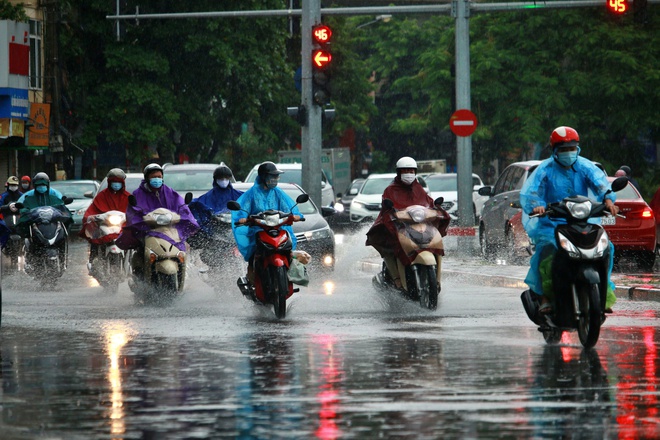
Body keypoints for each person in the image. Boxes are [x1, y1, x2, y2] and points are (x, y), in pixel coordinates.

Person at [520, 126, 619, 314]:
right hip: (551, 224)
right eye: (563, 150)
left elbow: (600, 183)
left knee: (607, 248)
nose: (568, 153)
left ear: (578, 148)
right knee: (547, 253)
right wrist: (537, 205)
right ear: (554, 151)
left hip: (581, 221)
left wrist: (608, 199)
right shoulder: (545, 169)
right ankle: (545, 297)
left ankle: (603, 295)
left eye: (572, 148)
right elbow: (532, 191)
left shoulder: (585, 166)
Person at [365, 156, 449, 289]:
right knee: (391, 248)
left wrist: (435, 208)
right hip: (399, 226)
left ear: (415, 172)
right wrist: (392, 214)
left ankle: (437, 281)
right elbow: (387, 208)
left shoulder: (418, 188)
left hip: (417, 225)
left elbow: (428, 203)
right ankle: (397, 279)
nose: (408, 174)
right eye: (405, 171)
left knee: (433, 243)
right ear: (399, 173)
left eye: (411, 171)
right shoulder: (390, 190)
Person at [116, 163, 199, 278]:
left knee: (183, 245)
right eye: (154, 177)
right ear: (146, 178)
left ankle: (184, 271)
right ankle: (139, 274)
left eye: (159, 177)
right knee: (140, 248)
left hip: (169, 229)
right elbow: (133, 212)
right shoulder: (138, 194)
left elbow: (180, 205)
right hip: (147, 230)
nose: (157, 180)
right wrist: (143, 219)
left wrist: (183, 214)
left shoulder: (170, 192)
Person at [231, 161, 303, 283]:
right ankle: (252, 281)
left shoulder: (278, 192)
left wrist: (297, 216)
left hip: (278, 228)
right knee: (254, 255)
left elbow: (288, 207)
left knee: (289, 252)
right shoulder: (252, 194)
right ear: (264, 177)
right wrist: (242, 217)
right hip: (258, 230)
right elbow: (244, 208)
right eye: (272, 176)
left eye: (276, 176)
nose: (275, 179)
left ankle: (289, 276)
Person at [188, 165, 244, 264]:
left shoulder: (238, 195)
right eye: (221, 178)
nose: (224, 180)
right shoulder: (208, 197)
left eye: (226, 178)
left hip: (234, 227)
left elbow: (248, 204)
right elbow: (196, 204)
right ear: (215, 179)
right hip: (215, 229)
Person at [80, 168, 131, 274]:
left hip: (122, 227)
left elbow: (135, 210)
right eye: (114, 182)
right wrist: (90, 217)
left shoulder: (128, 197)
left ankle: (132, 265)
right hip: (104, 226)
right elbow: (91, 210)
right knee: (95, 237)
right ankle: (93, 261)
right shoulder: (101, 196)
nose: (116, 184)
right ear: (109, 182)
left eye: (119, 182)